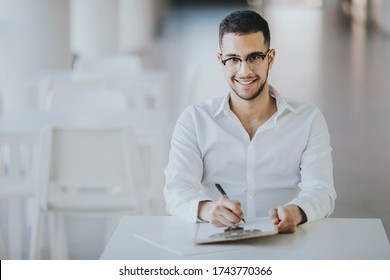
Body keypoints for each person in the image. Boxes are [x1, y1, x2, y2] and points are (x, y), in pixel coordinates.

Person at [164, 10, 336, 233]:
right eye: (234, 59)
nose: (244, 71)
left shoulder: (308, 119)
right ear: (221, 61)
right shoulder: (195, 119)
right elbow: (176, 189)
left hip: (286, 241)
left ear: (270, 58)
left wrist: (296, 212)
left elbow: (321, 190)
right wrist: (208, 210)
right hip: (219, 244)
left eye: (254, 57)